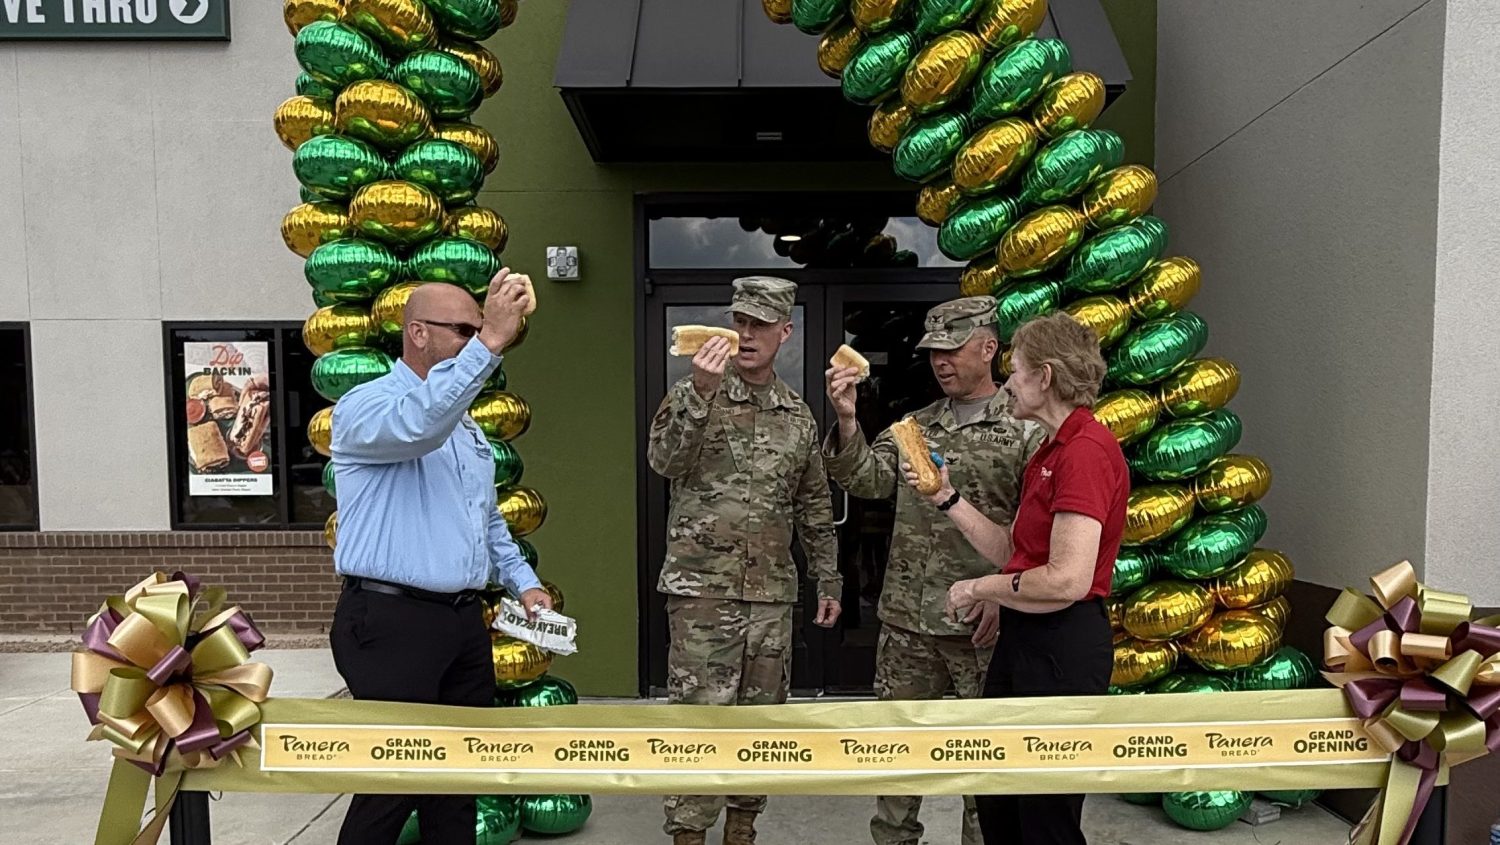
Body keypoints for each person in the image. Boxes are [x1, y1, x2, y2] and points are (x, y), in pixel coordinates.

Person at [329, 274, 554, 845]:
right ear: (418, 333)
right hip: (391, 621)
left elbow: (486, 518)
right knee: (393, 779)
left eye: (478, 330)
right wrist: (492, 343)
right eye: (463, 330)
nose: (474, 340)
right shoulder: (368, 405)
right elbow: (420, 424)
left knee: (456, 780)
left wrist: (523, 584)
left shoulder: (464, 425)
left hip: (460, 621)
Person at [905, 311, 1128, 845]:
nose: (1007, 383)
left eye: (1017, 371)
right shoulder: (1050, 450)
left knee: (1045, 817)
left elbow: (1066, 580)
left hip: (1063, 645)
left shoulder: (1087, 452)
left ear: (1045, 377)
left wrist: (979, 588)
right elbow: (1015, 551)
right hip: (1025, 642)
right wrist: (946, 498)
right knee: (1001, 800)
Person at [824, 296, 1041, 845]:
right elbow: (868, 481)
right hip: (907, 624)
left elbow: (1038, 530)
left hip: (980, 627)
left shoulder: (1025, 430)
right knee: (899, 760)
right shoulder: (914, 426)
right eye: (933, 352)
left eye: (952, 348)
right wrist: (848, 420)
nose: (940, 361)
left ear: (988, 347)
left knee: (983, 766)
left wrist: (1005, 592)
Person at [648, 276, 843, 845]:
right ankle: (687, 835)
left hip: (770, 597)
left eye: (761, 324)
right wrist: (699, 392)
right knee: (699, 722)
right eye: (741, 321)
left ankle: (742, 831)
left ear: (786, 332)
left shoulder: (797, 415)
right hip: (703, 592)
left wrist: (827, 577)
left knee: (760, 723)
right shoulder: (693, 393)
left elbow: (813, 506)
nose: (748, 333)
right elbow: (664, 461)